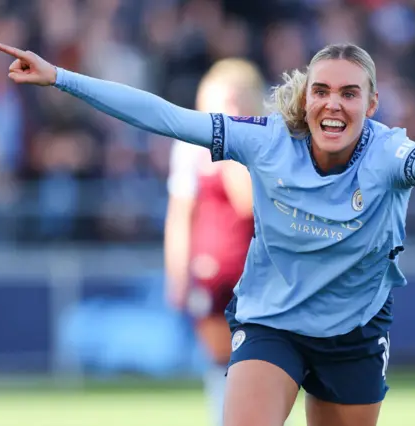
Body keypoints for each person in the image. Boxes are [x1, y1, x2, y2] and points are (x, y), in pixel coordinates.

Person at [0, 41, 415, 426]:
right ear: (306, 98)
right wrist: (61, 76)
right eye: (321, 91)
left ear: (372, 104)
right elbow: (166, 117)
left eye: (348, 93)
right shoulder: (265, 139)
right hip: (273, 325)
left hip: (355, 332)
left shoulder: (389, 152)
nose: (333, 104)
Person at [164, 58, 262, 426]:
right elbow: (180, 215)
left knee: (260, 361)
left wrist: (233, 144)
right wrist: (177, 275)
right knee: (222, 362)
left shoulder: (262, 139)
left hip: (259, 271)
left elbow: (246, 202)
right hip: (215, 269)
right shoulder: (191, 145)